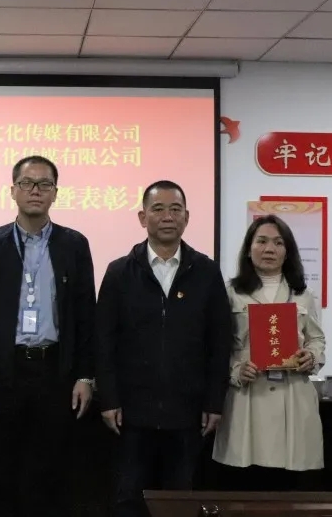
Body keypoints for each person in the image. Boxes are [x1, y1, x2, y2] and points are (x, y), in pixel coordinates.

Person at [0, 155, 96, 517]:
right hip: (3, 373)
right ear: (13, 191)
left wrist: (85, 375)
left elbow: (86, 316)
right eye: (27, 183)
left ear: (55, 193)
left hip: (55, 373)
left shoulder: (74, 244)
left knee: (50, 472)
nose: (35, 191)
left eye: (44, 184)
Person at [95, 180, 231, 517]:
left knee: (179, 500)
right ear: (143, 218)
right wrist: (109, 398)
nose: (167, 216)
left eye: (175, 209)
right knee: (129, 499)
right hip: (131, 414)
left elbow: (219, 342)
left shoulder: (206, 272)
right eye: (158, 209)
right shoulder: (119, 272)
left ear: (187, 217)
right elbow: (104, 340)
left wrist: (214, 401)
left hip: (187, 413)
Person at [212, 215, 325, 491]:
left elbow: (317, 339)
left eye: (278, 243)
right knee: (246, 486)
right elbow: (216, 347)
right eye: (261, 241)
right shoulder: (230, 293)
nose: (269, 249)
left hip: (292, 396)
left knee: (289, 488)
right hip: (247, 396)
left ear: (288, 251)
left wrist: (311, 357)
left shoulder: (303, 293)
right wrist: (236, 369)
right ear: (248, 249)